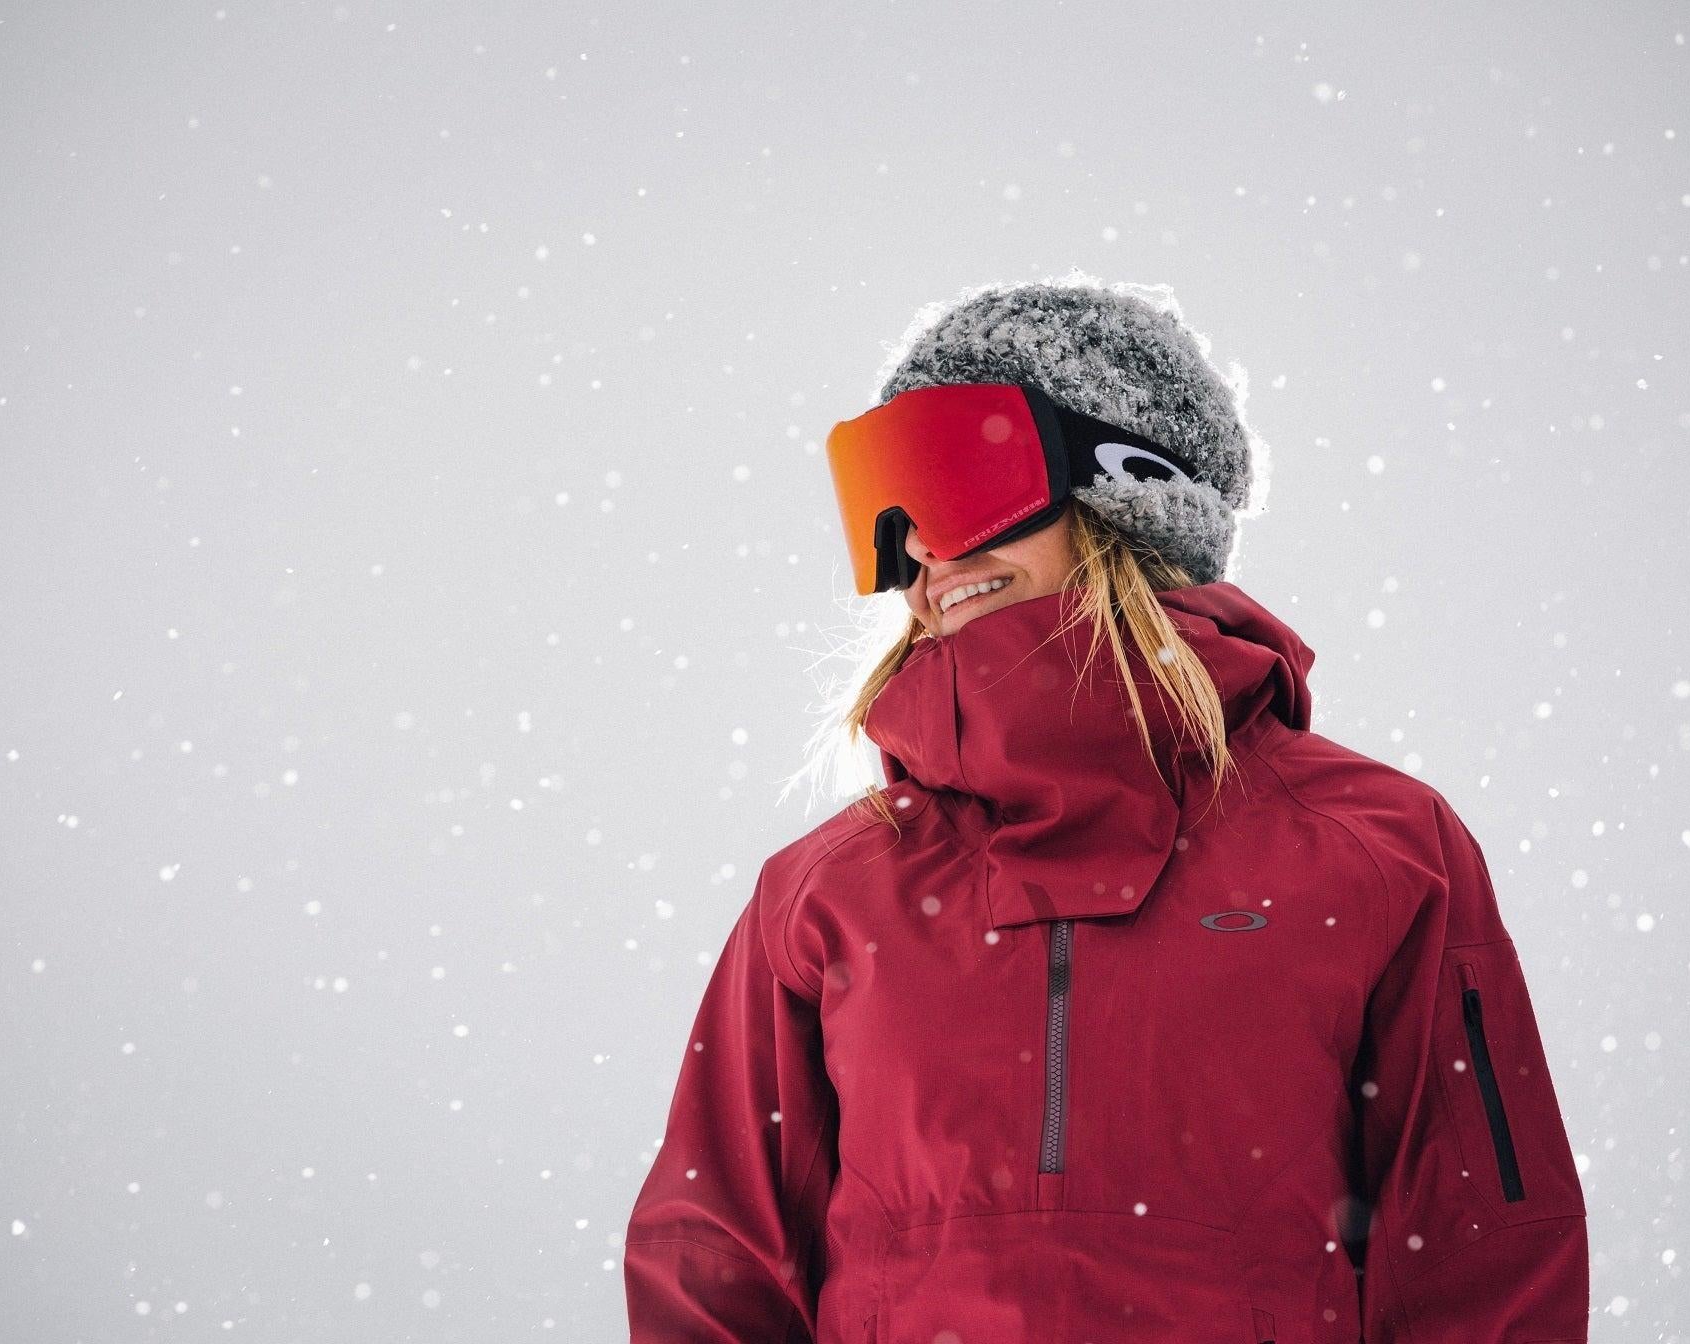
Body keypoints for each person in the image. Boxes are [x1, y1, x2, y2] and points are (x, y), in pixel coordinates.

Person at [623, 273, 1590, 1342]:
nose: (923, 551)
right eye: (884, 506)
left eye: (956, 476)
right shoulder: (828, 894)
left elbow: (1483, 1262)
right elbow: (713, 1268)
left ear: (1127, 487)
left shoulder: (1376, 852)